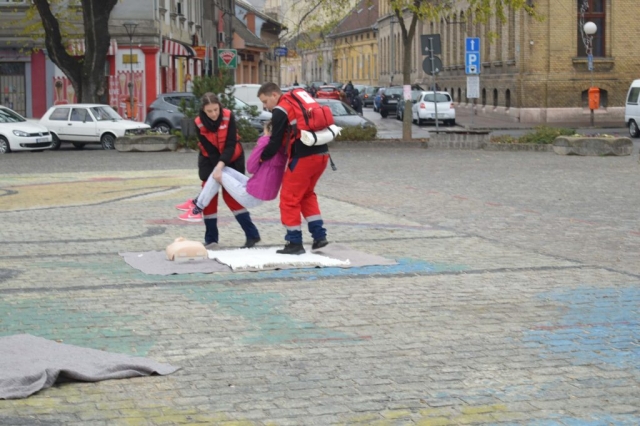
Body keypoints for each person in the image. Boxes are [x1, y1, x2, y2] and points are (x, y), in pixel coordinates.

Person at [176, 93, 260, 248]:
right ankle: (211, 239)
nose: (214, 114)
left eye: (216, 109)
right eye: (210, 111)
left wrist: (222, 169)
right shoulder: (198, 123)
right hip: (209, 159)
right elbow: (209, 149)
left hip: (232, 158)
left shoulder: (228, 116)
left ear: (220, 107)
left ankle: (252, 235)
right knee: (209, 195)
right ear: (203, 110)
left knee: (232, 197)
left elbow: (230, 144)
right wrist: (217, 172)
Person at [257, 82, 330, 255]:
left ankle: (294, 242)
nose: (265, 106)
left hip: (303, 158)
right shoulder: (298, 101)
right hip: (322, 154)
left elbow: (275, 142)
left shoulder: (281, 109)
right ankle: (319, 237)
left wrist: (262, 157)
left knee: (289, 198)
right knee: (307, 194)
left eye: (266, 101)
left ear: (274, 95)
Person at [178, 120, 287, 217]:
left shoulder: (265, 143)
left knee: (218, 173)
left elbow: (250, 167)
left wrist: (262, 142)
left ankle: (197, 208)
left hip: (250, 195)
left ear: (268, 131)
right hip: (259, 192)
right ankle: (197, 202)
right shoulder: (283, 149)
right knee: (222, 169)